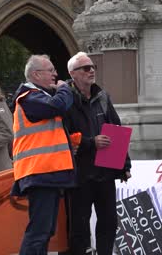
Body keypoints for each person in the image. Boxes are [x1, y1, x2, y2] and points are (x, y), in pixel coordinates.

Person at [64, 52, 131, 255]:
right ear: (72, 74)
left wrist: (125, 165)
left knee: (109, 221)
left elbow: (116, 129)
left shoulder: (102, 97)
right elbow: (63, 135)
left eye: (92, 67)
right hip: (80, 174)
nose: (91, 70)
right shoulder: (65, 99)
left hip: (105, 172)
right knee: (79, 226)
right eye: (85, 68)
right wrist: (90, 143)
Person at [10, 55, 75, 254]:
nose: (56, 74)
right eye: (51, 70)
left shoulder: (38, 96)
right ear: (37, 74)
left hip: (47, 172)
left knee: (45, 230)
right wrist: (64, 88)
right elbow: (59, 105)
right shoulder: (29, 96)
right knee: (39, 230)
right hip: (39, 171)